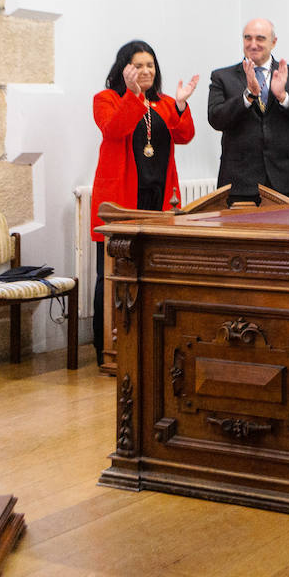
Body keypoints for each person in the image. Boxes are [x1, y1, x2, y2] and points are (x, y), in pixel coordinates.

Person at [90, 40, 197, 363]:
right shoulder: (106, 99)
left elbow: (184, 135)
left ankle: (149, 346)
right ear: (124, 69)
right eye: (138, 65)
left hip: (159, 197)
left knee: (153, 273)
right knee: (112, 273)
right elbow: (114, 129)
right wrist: (133, 94)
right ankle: (108, 346)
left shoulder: (164, 102)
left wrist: (179, 105)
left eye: (150, 65)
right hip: (121, 200)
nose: (146, 70)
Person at [207, 18, 289, 202]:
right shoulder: (222, 77)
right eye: (247, 38)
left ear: (273, 42)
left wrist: (284, 96)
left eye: (260, 38)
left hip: (287, 179)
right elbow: (216, 119)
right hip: (240, 181)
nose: (253, 44)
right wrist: (248, 95)